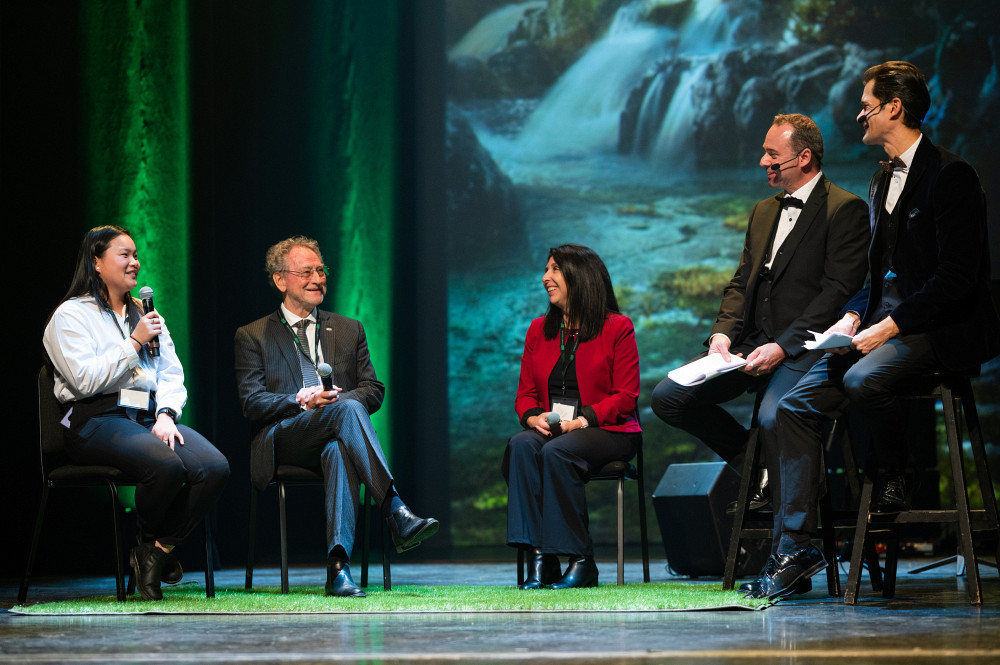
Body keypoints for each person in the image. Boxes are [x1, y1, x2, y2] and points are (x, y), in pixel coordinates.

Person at [748, 61, 1000, 600]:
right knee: (793, 404)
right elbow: (878, 273)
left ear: (894, 108)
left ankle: (899, 470)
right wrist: (855, 315)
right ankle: (796, 546)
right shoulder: (881, 176)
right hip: (879, 328)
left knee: (864, 381)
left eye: (867, 102)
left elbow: (957, 280)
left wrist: (889, 326)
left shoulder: (952, 175)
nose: (859, 111)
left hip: (936, 329)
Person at [650, 114, 870, 519]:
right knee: (669, 397)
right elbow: (740, 283)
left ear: (803, 157)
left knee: (773, 417)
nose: (762, 161)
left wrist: (782, 347)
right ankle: (758, 469)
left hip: (802, 349)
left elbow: (837, 292)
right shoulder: (762, 211)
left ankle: (792, 531)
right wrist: (722, 335)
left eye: (772, 154)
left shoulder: (845, 208)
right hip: (750, 346)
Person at [234, 236, 438, 598]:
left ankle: (338, 568)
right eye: (306, 272)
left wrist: (337, 402)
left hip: (336, 436)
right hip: (285, 438)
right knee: (344, 413)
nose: (317, 278)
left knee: (341, 445)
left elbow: (372, 389)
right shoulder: (253, 334)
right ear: (281, 280)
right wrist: (302, 401)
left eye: (321, 270)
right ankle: (394, 509)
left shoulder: (348, 329)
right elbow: (252, 403)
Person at [42, 225, 230, 601]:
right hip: (94, 419)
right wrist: (133, 342)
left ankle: (153, 552)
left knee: (213, 467)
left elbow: (171, 374)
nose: (135, 262)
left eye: (136, 255)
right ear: (96, 262)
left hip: (146, 417)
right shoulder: (71, 316)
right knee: (166, 465)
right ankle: (149, 549)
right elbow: (83, 380)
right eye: (124, 254)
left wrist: (166, 414)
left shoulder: (145, 314)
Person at [503, 244, 641, 589]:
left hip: (609, 429)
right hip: (557, 428)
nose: (545, 278)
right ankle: (541, 558)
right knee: (521, 445)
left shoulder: (617, 327)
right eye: (546, 270)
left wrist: (582, 421)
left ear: (580, 277)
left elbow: (626, 396)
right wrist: (532, 417)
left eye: (554, 270)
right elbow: (525, 395)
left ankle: (581, 559)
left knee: (557, 451)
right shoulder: (539, 330)